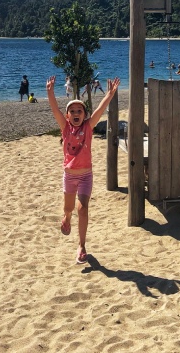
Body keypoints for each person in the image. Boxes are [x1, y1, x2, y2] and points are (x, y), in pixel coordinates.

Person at [46, 74, 120, 265]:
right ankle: (67, 217)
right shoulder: (65, 128)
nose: (76, 113)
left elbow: (100, 110)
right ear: (68, 116)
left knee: (83, 209)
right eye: (73, 111)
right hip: (69, 177)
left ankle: (81, 246)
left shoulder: (88, 127)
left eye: (80, 110)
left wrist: (110, 95)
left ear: (84, 115)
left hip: (86, 176)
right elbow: (55, 111)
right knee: (69, 208)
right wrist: (50, 92)